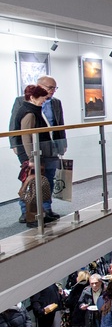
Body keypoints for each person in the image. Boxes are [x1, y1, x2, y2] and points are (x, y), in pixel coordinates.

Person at [10, 76, 66, 223]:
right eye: (50, 88)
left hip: (51, 147)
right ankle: (28, 212)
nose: (53, 91)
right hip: (32, 150)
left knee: (48, 180)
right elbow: (18, 129)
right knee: (31, 180)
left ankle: (46, 209)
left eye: (55, 88)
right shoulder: (23, 104)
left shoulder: (56, 103)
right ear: (39, 87)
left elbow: (60, 124)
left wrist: (62, 144)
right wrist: (17, 147)